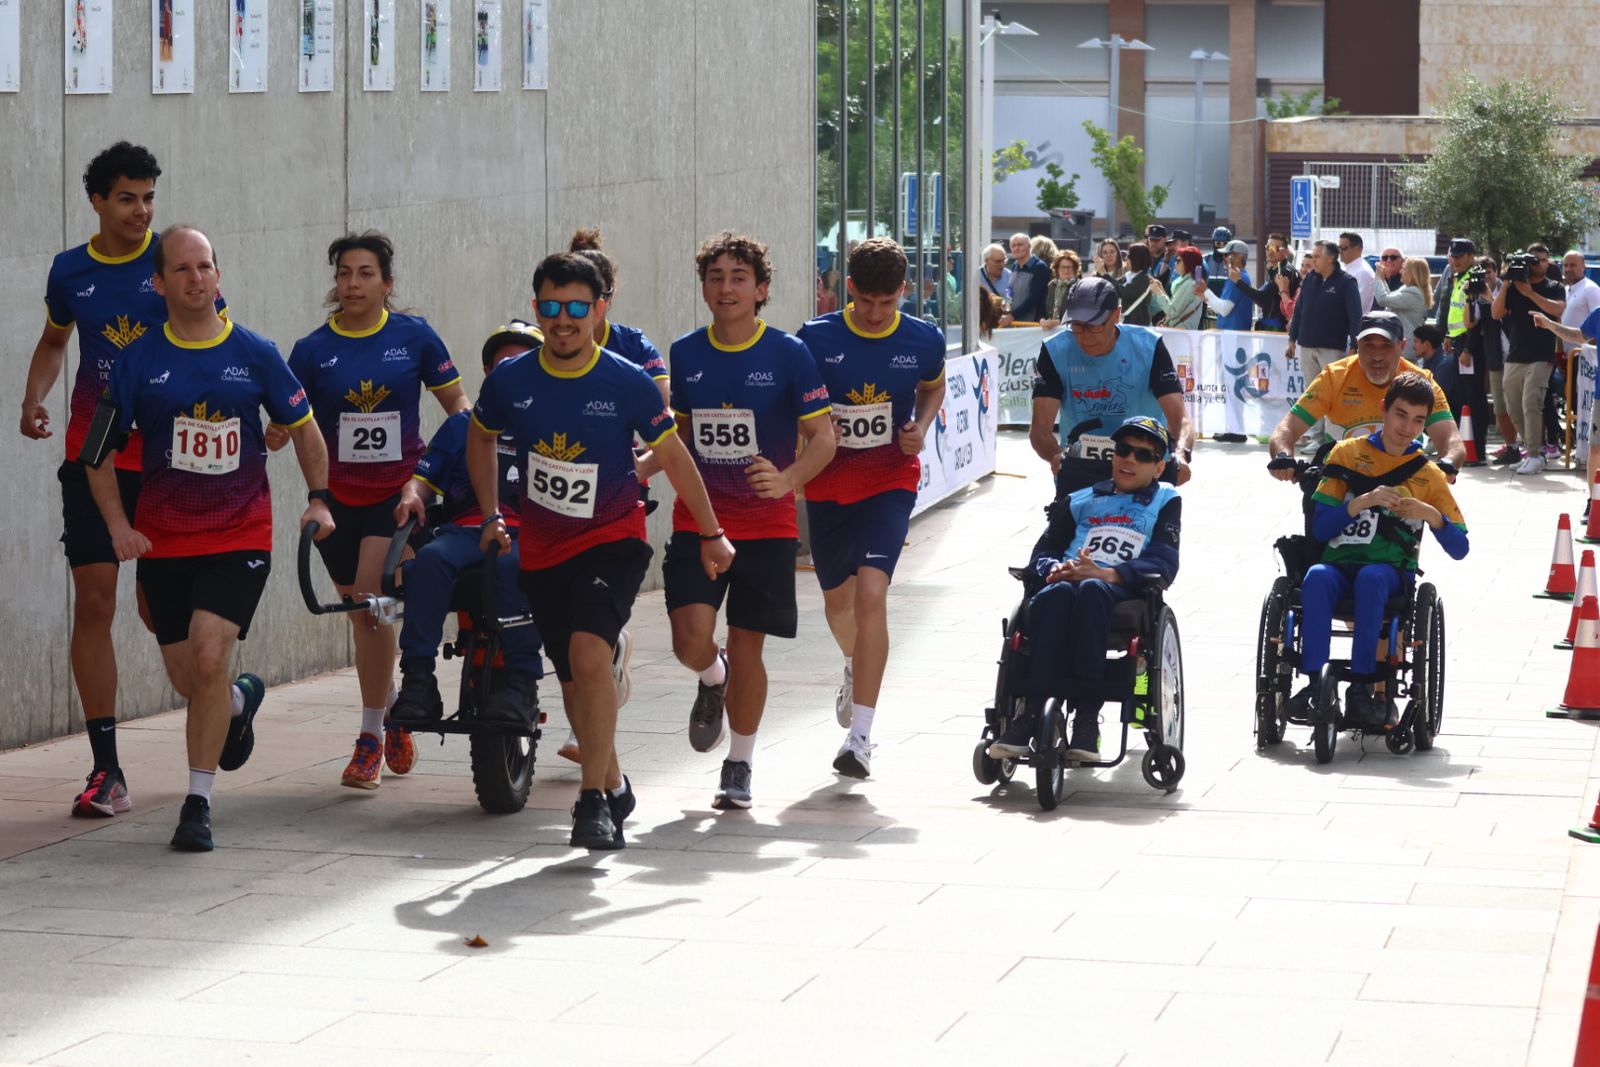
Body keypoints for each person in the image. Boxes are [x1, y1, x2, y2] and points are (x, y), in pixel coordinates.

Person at [471, 251, 733, 850]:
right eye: (552, 307)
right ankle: (614, 785)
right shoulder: (511, 380)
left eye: (577, 308)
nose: (564, 320)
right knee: (572, 679)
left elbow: (672, 456)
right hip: (541, 549)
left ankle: (590, 804)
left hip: (612, 540)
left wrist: (714, 534)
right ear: (537, 308)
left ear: (600, 309)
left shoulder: (625, 380)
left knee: (590, 655)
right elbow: (480, 439)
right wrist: (490, 514)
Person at [86, 225, 333, 851]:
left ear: (219, 275)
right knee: (191, 680)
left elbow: (303, 429)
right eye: (183, 269)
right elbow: (96, 452)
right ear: (160, 282)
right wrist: (119, 526)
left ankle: (196, 805)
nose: (196, 278)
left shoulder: (255, 352)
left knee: (207, 656)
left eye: (206, 267)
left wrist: (319, 500)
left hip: (238, 533)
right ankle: (239, 705)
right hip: (164, 543)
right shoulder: (139, 360)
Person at [18, 142, 187, 818]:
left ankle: (229, 697)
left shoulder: (174, 260)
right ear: (97, 200)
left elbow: (211, 334)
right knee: (94, 600)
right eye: (127, 197)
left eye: (149, 197)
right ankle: (106, 769)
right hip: (93, 457)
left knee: (161, 612)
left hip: (172, 462)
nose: (141, 210)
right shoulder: (71, 271)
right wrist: (34, 396)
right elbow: (57, 340)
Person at [281, 232, 468, 790]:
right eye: (344, 273)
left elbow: (457, 407)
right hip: (337, 502)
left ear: (388, 283)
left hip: (397, 497)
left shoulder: (414, 338)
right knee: (363, 618)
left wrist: (438, 472)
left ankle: (369, 739)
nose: (353, 283)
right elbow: (293, 418)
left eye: (366, 273)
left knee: (371, 605)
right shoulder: (311, 350)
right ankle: (389, 705)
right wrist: (271, 429)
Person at [666, 231, 835, 808]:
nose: (726, 287)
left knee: (748, 647)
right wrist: (641, 463)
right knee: (691, 641)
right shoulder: (685, 353)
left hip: (766, 525)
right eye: (716, 277)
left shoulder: (788, 354)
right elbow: (680, 434)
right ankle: (711, 680)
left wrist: (788, 480)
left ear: (761, 289)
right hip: (699, 518)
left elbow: (824, 438)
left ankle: (738, 764)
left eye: (739, 277)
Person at [799, 237, 945, 783]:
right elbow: (797, 403)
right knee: (838, 604)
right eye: (866, 302)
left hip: (890, 480)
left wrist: (921, 428)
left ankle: (860, 736)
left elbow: (933, 388)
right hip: (828, 484)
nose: (877, 313)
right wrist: (814, 432)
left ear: (903, 293)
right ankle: (855, 666)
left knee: (871, 594)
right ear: (848, 289)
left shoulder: (923, 338)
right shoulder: (815, 338)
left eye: (888, 303)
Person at [987, 416, 1181, 761]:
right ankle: (1030, 715)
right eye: (1123, 450)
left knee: (1091, 591)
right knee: (1054, 596)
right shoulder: (1078, 499)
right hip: (1068, 580)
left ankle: (1086, 722)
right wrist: (1055, 569)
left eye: (1142, 455)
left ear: (1159, 466)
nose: (1129, 459)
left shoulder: (1165, 498)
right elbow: (1043, 553)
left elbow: (1164, 561)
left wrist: (1107, 574)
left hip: (1121, 588)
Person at [389, 322, 545, 728]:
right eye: (500, 365)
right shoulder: (463, 424)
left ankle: (520, 681)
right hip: (466, 531)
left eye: (521, 363)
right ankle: (419, 681)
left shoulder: (552, 422)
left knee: (516, 567)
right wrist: (411, 495)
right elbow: (423, 478)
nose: (509, 372)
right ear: (489, 375)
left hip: (531, 533)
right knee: (426, 563)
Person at [1292, 372, 1469, 728]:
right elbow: (1322, 528)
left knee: (1372, 579)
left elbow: (1460, 547)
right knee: (1314, 577)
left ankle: (1362, 687)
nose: (1407, 428)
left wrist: (1432, 516)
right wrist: (1361, 503)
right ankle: (1315, 685)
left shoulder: (1429, 474)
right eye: (1401, 415)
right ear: (1385, 410)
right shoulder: (1347, 454)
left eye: (1418, 420)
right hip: (1339, 564)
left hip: (1389, 571)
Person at [1029, 276, 1193, 494]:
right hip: (1082, 466)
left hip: (1143, 465)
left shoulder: (1148, 345)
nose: (1085, 336)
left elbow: (1180, 417)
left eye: (1094, 326)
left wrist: (1182, 454)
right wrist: (1055, 455)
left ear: (1116, 315)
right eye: (1077, 326)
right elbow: (1040, 428)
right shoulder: (1055, 350)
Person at [1268, 312, 1465, 476]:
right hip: (1340, 484)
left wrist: (1448, 463)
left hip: (1401, 488)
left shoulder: (1423, 382)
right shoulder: (1333, 377)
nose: (1377, 356)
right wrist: (1283, 456)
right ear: (1357, 345)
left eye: (1386, 346)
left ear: (1402, 346)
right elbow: (1286, 429)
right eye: (1368, 345)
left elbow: (1451, 440)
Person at [1492, 243, 1565, 474]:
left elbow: (1557, 310)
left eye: (1544, 260)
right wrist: (1506, 280)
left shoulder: (1554, 286)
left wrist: (1530, 293)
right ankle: (1533, 450)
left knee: (1531, 403)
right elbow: (1496, 313)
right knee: (1513, 406)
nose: (1540, 263)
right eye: (1535, 259)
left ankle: (1534, 454)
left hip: (1541, 356)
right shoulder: (1513, 288)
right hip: (1516, 355)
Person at [1286, 240, 1364, 447]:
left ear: (1330, 258)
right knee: (1312, 393)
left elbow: (1355, 317)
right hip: (1307, 345)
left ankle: (1333, 439)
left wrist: (1355, 346)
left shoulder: (1347, 282)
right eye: (1312, 256)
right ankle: (1316, 437)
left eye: (1317, 256)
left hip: (1333, 348)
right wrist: (1292, 339)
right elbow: (1299, 311)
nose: (1313, 260)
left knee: (1333, 393)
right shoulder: (1310, 279)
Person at [1226, 232, 1297, 332]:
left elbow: (1262, 300)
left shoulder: (1283, 271)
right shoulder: (1278, 269)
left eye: (1274, 248)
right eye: (1268, 247)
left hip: (1276, 328)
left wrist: (1238, 281)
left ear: (1285, 252)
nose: (1270, 252)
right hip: (1274, 325)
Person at [1372, 256, 1432, 352]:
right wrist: (1382, 279)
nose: (1400, 272)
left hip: (1406, 346)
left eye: (1404, 269)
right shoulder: (1409, 289)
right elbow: (1389, 298)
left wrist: (1378, 278)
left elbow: (1382, 300)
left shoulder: (1413, 293)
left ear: (1413, 273)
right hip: (1403, 344)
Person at [1114, 244, 1170, 328]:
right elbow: (1115, 285)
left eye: (1129, 256)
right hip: (1128, 325)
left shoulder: (1144, 279)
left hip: (1139, 327)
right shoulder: (1129, 276)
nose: (1126, 259)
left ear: (1137, 259)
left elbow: (1125, 292)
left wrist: (1104, 274)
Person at [1005, 233, 1052, 323]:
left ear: (1029, 246)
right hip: (1015, 322)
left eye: (1020, 245)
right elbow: (1010, 292)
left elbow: (1034, 298)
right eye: (1013, 246)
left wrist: (1013, 315)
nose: (1016, 248)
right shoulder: (1014, 266)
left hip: (1032, 324)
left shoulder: (1039, 267)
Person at [1160, 247, 1208, 331]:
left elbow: (1172, 312)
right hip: (1184, 334)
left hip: (1180, 336)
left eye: (1178, 260)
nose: (1175, 263)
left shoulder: (1189, 284)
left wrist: (1158, 292)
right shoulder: (1193, 282)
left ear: (1188, 263)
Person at [1216, 240, 1254, 331]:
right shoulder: (1240, 276)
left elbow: (1224, 310)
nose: (1223, 258)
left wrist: (1205, 292)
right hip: (1233, 335)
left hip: (1234, 335)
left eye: (1226, 255)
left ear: (1238, 258)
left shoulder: (1238, 278)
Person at [1039, 250, 1080, 329]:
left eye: (1069, 267)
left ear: (1075, 269)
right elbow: (1041, 308)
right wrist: (1042, 319)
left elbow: (1079, 313)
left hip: (1069, 331)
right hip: (1048, 330)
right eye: (1063, 267)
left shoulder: (1080, 286)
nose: (1066, 271)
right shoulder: (1051, 286)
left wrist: (1058, 322)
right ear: (1057, 268)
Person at [1338, 232, 1376, 312]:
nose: (1340, 251)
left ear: (1357, 249)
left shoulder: (1364, 273)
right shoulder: (1343, 267)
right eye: (1339, 248)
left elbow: (1357, 306)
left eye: (1344, 248)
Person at [976, 244, 1012, 308]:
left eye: (1003, 260)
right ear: (986, 261)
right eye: (998, 261)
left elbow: (1012, 301)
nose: (1002, 264)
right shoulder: (975, 277)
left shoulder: (1010, 276)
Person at [1146, 224, 1177, 290]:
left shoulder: (1173, 259)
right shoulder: (1145, 258)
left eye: (1157, 240)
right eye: (1151, 240)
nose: (1153, 243)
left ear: (1165, 239)